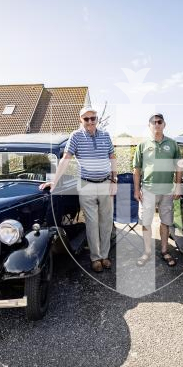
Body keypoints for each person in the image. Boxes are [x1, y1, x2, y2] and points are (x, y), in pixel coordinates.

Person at [39, 107, 117, 273]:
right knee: (92, 223)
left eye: (93, 118)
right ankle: (95, 258)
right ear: (80, 120)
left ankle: (105, 255)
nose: (90, 122)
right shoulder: (75, 136)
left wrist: (114, 179)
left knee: (106, 222)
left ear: (97, 119)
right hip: (86, 184)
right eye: (86, 119)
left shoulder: (106, 135)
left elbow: (112, 158)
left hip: (105, 183)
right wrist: (54, 181)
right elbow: (66, 159)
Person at [132, 113, 182, 267]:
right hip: (147, 189)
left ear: (164, 124)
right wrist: (136, 190)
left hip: (167, 190)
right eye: (153, 122)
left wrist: (178, 186)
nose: (157, 124)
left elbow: (179, 167)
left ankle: (165, 251)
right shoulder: (142, 145)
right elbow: (136, 169)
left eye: (159, 122)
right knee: (146, 222)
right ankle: (147, 252)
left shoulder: (173, 144)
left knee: (165, 222)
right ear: (149, 126)